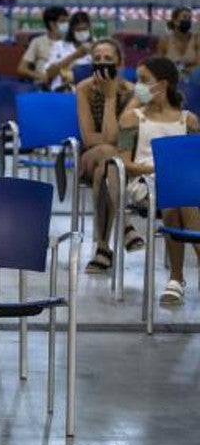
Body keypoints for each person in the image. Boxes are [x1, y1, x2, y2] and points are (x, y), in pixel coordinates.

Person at [113, 57, 200, 305]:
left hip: (182, 185)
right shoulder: (133, 118)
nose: (136, 86)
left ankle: (176, 280)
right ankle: (176, 276)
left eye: (143, 80)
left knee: (179, 196)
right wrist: (158, 167)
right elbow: (124, 163)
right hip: (144, 182)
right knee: (177, 194)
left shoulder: (189, 120)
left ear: (161, 85)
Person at [76, 39, 138, 273]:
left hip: (121, 161)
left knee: (108, 163)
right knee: (104, 153)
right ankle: (126, 225)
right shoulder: (84, 89)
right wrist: (109, 98)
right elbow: (89, 138)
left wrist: (112, 96)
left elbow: (120, 141)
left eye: (108, 59)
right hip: (88, 158)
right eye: (97, 59)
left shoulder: (133, 93)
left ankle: (103, 249)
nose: (102, 64)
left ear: (119, 63)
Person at [18, 5, 69, 85]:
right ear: (52, 24)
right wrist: (39, 76)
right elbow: (22, 68)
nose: (67, 25)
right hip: (42, 86)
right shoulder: (37, 42)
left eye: (67, 21)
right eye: (63, 21)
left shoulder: (71, 42)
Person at [43, 11, 93, 90]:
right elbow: (49, 73)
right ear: (72, 31)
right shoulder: (59, 46)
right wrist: (74, 56)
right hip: (62, 91)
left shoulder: (97, 46)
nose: (82, 33)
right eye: (78, 30)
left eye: (84, 29)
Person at [157, 6, 199, 75]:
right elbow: (160, 64)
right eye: (185, 17)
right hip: (171, 77)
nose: (188, 20)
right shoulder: (165, 40)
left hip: (192, 79)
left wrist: (183, 71)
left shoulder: (196, 39)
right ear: (175, 21)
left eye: (190, 18)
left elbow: (198, 65)